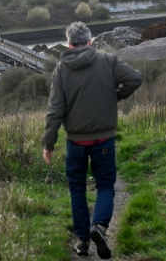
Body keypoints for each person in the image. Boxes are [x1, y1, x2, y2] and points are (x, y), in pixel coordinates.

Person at [43, 21, 143, 259]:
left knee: (77, 188)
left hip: (75, 141)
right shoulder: (108, 61)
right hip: (103, 140)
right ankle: (99, 226)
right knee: (105, 185)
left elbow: (55, 110)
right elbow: (135, 78)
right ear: (90, 42)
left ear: (69, 44)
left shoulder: (61, 69)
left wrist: (49, 144)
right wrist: (115, 96)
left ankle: (82, 241)